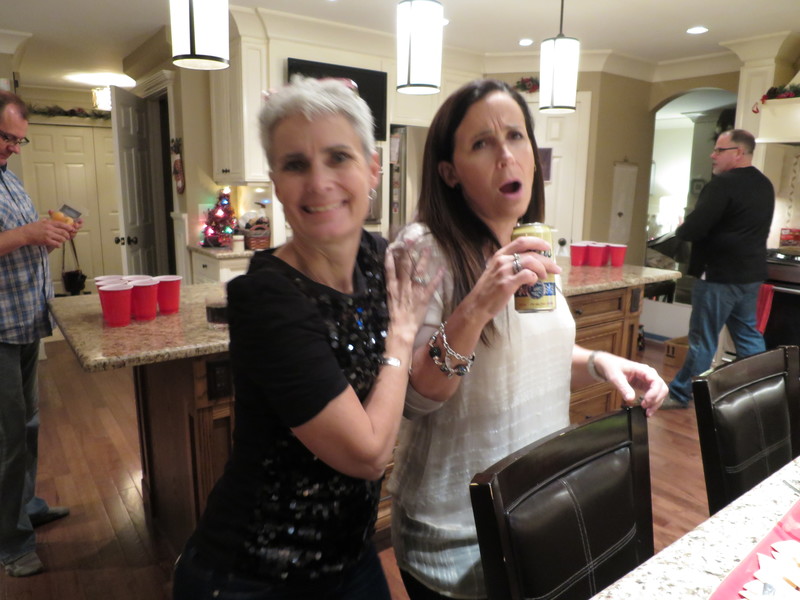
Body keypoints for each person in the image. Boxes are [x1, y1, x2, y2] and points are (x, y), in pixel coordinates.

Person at [387, 78, 668, 600]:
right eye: (482, 143)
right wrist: (478, 304)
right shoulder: (424, 249)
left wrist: (600, 361)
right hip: (457, 535)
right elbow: (416, 397)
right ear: (449, 172)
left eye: (516, 136)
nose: (506, 156)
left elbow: (532, 352)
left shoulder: (530, 240)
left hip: (535, 510)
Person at [172, 76, 438, 600]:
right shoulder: (265, 297)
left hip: (351, 558)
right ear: (276, 181)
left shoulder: (376, 259)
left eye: (338, 157)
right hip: (251, 577)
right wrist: (402, 336)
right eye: (296, 164)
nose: (318, 183)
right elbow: (367, 453)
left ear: (373, 169)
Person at [0, 90, 80, 577]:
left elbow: (18, 247)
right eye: (6, 137)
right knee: (7, 437)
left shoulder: (9, 179)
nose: (13, 147)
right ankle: (11, 544)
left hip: (24, 318)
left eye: (18, 140)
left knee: (26, 426)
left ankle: (24, 507)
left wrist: (48, 236)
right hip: (0, 329)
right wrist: (29, 233)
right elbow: (16, 238)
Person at [665, 129, 775, 409]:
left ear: (738, 153)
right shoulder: (764, 184)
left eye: (719, 150)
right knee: (748, 335)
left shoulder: (722, 184)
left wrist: (683, 227)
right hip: (750, 275)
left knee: (703, 340)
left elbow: (695, 228)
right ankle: (763, 394)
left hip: (718, 276)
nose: (712, 155)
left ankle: (679, 394)